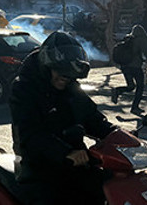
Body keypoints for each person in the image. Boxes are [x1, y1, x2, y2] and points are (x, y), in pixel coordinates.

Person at [9, 32, 115, 205]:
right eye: (61, 74)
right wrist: (65, 153)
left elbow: (92, 118)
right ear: (47, 66)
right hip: (38, 166)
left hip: (75, 161)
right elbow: (30, 134)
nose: (65, 79)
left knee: (106, 187)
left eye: (70, 76)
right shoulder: (24, 89)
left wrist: (115, 134)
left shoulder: (71, 87)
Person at [110, 25, 147, 114]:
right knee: (140, 87)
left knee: (131, 86)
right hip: (135, 67)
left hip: (125, 67)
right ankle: (135, 107)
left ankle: (118, 90)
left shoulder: (127, 39)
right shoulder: (140, 40)